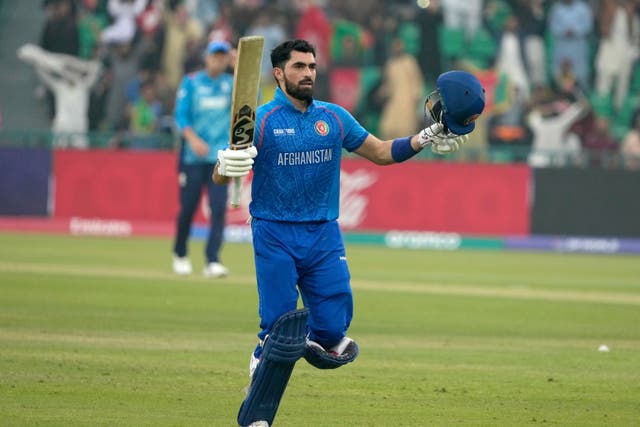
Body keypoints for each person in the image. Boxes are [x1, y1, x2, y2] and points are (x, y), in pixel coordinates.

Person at [212, 39, 485, 427]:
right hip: (275, 232)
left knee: (334, 333)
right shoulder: (262, 120)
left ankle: (289, 345)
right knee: (279, 327)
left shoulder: (334, 117)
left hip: (323, 234)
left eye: (311, 66)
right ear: (278, 73)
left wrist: (425, 136)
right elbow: (222, 174)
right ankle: (259, 397)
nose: (308, 73)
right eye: (298, 67)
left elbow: (382, 152)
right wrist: (227, 163)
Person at [172, 40, 233, 278]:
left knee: (218, 209)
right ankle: (180, 253)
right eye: (215, 56)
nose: (218, 60)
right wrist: (192, 139)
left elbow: (250, 105)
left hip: (220, 158)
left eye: (223, 56)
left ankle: (213, 260)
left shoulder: (232, 83)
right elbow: (180, 116)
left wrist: (241, 70)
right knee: (188, 207)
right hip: (193, 156)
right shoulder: (192, 82)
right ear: (207, 57)